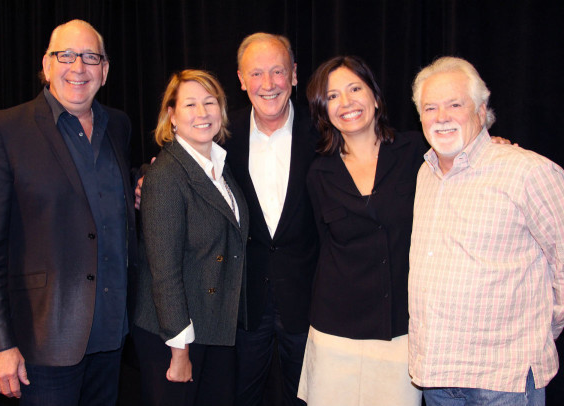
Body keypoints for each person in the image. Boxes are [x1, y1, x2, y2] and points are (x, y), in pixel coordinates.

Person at [0, 19, 138, 406]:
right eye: (66, 55)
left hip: (112, 339)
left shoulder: (119, 127)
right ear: (46, 65)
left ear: (105, 70)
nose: (79, 68)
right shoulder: (1, 130)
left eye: (91, 57)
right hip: (40, 346)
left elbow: (109, 203)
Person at [408, 56, 564, 406]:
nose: (442, 117)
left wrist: (541, 330)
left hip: (503, 379)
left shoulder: (527, 171)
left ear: (481, 110)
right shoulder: (425, 174)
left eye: (455, 104)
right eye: (430, 108)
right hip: (437, 376)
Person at [297, 55, 425, 406]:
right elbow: (323, 246)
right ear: (323, 111)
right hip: (335, 329)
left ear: (376, 97)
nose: (347, 102)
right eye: (333, 96)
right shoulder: (319, 173)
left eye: (355, 89)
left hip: (399, 328)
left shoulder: (416, 151)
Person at [132, 69, 249, 406]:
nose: (202, 113)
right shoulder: (165, 174)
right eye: (190, 104)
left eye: (210, 103)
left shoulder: (220, 166)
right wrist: (179, 351)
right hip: (175, 336)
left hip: (214, 326)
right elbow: (163, 272)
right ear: (171, 115)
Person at [225, 33, 319, 406]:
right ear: (241, 79)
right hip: (244, 301)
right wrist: (143, 179)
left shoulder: (326, 132)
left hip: (309, 299)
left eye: (278, 71)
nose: (268, 84)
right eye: (257, 73)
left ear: (294, 75)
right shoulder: (220, 134)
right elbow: (176, 172)